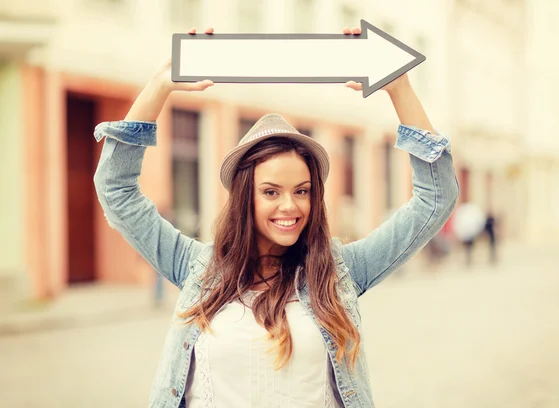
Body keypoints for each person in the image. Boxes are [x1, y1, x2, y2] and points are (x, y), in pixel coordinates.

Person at [93, 26, 459, 408]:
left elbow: (435, 199)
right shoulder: (195, 269)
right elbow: (117, 191)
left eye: (302, 191)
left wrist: (400, 89)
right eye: (271, 192)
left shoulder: (340, 271)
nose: (291, 206)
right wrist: (158, 87)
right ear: (244, 199)